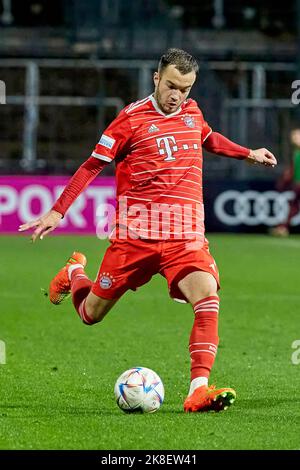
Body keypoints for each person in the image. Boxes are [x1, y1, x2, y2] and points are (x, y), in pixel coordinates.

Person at [19, 48, 277, 413]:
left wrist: (247, 152)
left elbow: (207, 138)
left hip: (184, 236)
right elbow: (91, 166)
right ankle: (74, 272)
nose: (177, 96)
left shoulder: (192, 111)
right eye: (171, 85)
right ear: (156, 78)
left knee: (206, 297)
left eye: (185, 89)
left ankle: (198, 390)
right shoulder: (129, 120)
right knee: (90, 314)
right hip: (135, 237)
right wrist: (58, 212)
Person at [270, 128, 300, 236]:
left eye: (296, 136)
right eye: (293, 137)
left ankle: (283, 228)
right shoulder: (296, 152)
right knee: (293, 207)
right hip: (297, 184)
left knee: (293, 206)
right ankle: (283, 228)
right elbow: (292, 169)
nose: (293, 139)